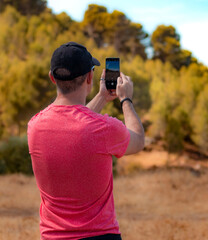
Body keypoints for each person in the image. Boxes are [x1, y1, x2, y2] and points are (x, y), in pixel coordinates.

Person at [27, 42, 145, 240]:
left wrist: (101, 97)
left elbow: (74, 124)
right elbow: (138, 140)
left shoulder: (34, 126)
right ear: (90, 77)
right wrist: (126, 100)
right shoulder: (104, 128)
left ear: (52, 78)